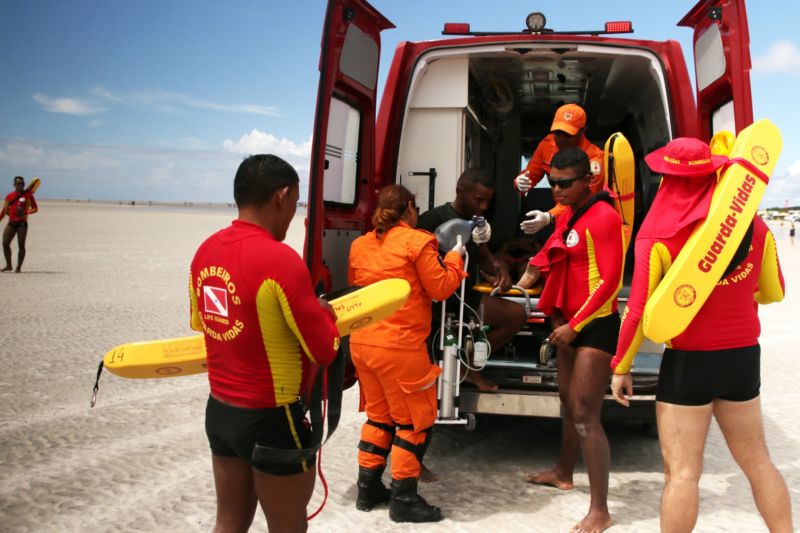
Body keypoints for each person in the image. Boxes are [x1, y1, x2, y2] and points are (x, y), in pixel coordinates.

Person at [610, 138, 793, 533]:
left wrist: (621, 366)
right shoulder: (753, 225)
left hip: (689, 360)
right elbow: (774, 291)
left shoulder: (656, 233)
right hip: (743, 357)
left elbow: (638, 310)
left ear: (666, 178)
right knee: (758, 462)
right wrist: (737, 288)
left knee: (683, 474)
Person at [189, 154, 340, 533]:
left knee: (229, 522)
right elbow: (324, 349)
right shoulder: (279, 260)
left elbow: (205, 324)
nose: (294, 211)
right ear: (282, 195)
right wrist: (324, 314)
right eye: (296, 201)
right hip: (272, 419)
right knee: (288, 528)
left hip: (221, 413)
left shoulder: (204, 252)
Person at [516, 147, 624, 533]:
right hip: (567, 322)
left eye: (564, 183)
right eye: (551, 183)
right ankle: (563, 472)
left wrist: (576, 325)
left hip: (593, 326)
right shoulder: (571, 215)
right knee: (566, 401)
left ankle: (601, 510)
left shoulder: (604, 217)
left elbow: (610, 281)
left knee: (584, 414)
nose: (556, 191)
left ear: (587, 180)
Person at [348, 184, 466, 523]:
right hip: (399, 348)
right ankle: (404, 499)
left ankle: (367, 490)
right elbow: (441, 288)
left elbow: (358, 288)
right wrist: (455, 256)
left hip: (363, 345)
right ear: (410, 208)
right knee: (413, 423)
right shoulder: (418, 242)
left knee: (378, 418)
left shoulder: (360, 246)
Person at [417, 168, 528, 391]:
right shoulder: (432, 219)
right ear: (460, 191)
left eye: (488, 201)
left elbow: (485, 257)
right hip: (436, 300)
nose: (484, 206)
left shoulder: (476, 223)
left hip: (465, 298)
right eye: (479, 200)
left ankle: (467, 368)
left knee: (517, 315)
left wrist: (500, 271)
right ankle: (436, 373)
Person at [515, 104, 606, 235]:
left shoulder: (595, 160)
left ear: (582, 131)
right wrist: (520, 182)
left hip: (588, 217)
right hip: (559, 216)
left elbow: (582, 201)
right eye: (558, 132)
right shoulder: (546, 146)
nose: (561, 138)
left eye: (568, 134)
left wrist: (549, 216)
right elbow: (530, 176)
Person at [2, 176, 38, 272]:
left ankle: (18, 267)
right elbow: (4, 211)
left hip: (22, 224)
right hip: (12, 223)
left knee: (21, 246)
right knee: (5, 243)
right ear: (14, 185)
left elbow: (35, 208)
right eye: (18, 183)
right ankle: (9, 265)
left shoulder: (28, 195)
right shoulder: (9, 196)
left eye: (22, 183)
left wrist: (26, 212)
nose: (21, 185)